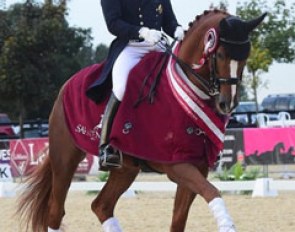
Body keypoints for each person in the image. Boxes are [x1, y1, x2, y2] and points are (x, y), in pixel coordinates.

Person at [87, 0, 184, 169]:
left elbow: (168, 21)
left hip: (159, 45)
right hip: (130, 46)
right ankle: (106, 147)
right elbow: (113, 23)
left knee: (181, 80)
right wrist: (141, 32)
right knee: (121, 88)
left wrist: (177, 29)